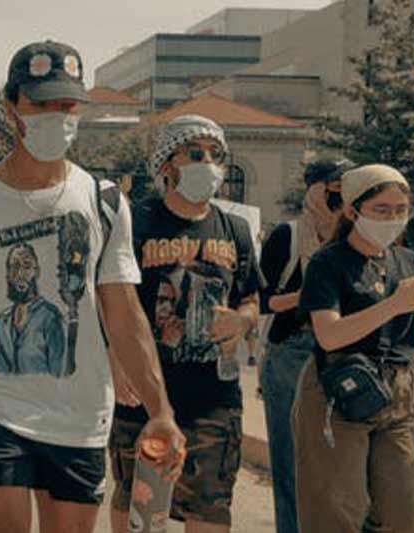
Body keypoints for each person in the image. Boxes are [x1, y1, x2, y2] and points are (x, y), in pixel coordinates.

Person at [0, 40, 188, 533]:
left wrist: (160, 409)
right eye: (42, 104)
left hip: (79, 414)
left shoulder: (103, 201)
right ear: (11, 106)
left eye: (67, 105)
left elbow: (125, 314)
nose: (56, 116)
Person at [292, 164, 414, 533]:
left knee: (411, 508)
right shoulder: (329, 262)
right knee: (337, 508)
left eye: (400, 210)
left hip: (396, 395)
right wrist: (394, 304)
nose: (393, 219)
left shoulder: (411, 263)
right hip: (338, 390)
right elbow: (329, 335)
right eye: (381, 210)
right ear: (353, 211)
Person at [107, 115, 261, 533]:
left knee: (210, 509)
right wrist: (116, 361)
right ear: (166, 164)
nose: (207, 162)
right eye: (195, 153)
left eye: (217, 155)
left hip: (215, 395)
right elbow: (110, 299)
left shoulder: (236, 229)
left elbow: (251, 298)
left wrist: (241, 320)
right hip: (145, 390)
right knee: (141, 509)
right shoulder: (135, 222)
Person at [253, 156, 354, 533]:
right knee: (291, 457)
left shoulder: (356, 236)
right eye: (331, 188)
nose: (338, 197)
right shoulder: (290, 236)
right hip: (292, 351)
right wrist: (310, 295)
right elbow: (261, 300)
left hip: (345, 353)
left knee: (343, 458)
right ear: (313, 189)